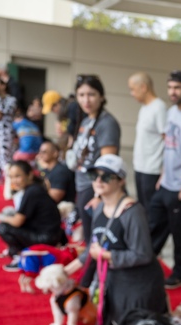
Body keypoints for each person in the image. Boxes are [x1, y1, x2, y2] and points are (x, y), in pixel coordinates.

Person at [64, 154, 167, 325]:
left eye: (106, 177)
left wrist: (107, 255)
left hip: (138, 284)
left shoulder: (133, 212)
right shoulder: (99, 207)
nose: (98, 181)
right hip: (115, 280)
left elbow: (143, 254)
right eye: (94, 175)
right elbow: (93, 247)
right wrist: (66, 271)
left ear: (121, 181)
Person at [147, 71, 181, 288]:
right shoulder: (171, 112)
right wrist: (161, 176)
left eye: (177, 88)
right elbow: (168, 147)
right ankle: (146, 264)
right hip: (165, 182)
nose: (172, 92)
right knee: (154, 225)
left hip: (180, 188)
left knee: (179, 236)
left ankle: (179, 274)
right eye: (170, 88)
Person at [70, 75, 120, 248]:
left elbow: (109, 163)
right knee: (88, 233)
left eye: (91, 94)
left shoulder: (107, 123)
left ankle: (94, 274)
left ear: (101, 96)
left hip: (94, 188)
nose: (86, 100)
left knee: (96, 239)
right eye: (81, 94)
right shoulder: (86, 120)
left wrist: (99, 195)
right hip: (82, 184)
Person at [0, 160, 62, 271]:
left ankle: (21, 258)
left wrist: (3, 217)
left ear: (30, 175)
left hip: (47, 238)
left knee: (2, 227)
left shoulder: (32, 192)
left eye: (18, 176)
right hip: (52, 234)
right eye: (11, 177)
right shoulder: (34, 188)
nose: (14, 180)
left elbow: (18, 221)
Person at [128, 71, 167, 210]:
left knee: (150, 210)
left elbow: (167, 139)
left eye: (133, 89)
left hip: (152, 169)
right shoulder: (144, 107)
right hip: (139, 166)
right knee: (141, 207)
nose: (131, 93)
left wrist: (165, 170)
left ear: (143, 87)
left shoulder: (159, 107)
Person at [42, 90, 83, 155]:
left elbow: (73, 128)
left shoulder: (72, 107)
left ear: (58, 103)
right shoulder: (62, 115)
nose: (53, 112)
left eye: (53, 109)